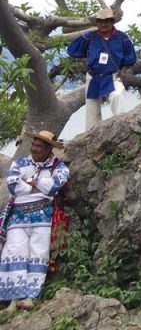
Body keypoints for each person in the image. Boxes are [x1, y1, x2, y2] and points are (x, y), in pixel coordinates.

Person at [0, 130, 70, 309]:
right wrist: (38, 186)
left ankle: (30, 298)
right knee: (14, 253)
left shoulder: (59, 167)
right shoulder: (19, 163)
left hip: (43, 217)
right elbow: (13, 185)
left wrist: (31, 182)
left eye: (39, 146)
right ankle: (13, 302)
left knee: (38, 254)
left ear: (48, 149)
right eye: (33, 145)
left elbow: (54, 187)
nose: (34, 148)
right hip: (18, 216)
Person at [67, 8, 137, 129]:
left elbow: (130, 57)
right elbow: (74, 50)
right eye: (100, 21)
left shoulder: (122, 37)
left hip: (113, 75)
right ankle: (90, 135)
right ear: (97, 22)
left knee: (117, 95)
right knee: (92, 109)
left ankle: (124, 126)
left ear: (112, 22)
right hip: (94, 76)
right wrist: (86, 62)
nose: (103, 24)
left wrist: (124, 70)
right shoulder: (90, 36)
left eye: (106, 21)